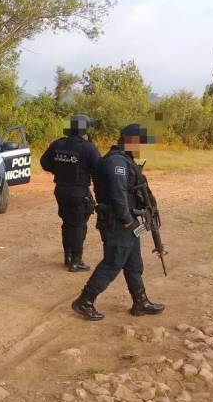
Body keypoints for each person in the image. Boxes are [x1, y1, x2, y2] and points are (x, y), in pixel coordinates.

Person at [71, 123, 165, 321]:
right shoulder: (116, 162)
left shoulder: (125, 159)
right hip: (118, 223)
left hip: (128, 222)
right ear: (130, 141)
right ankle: (84, 301)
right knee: (112, 262)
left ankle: (140, 302)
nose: (143, 147)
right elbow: (118, 193)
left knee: (134, 263)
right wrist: (127, 220)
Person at [41, 114, 101, 272]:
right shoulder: (87, 147)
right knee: (79, 225)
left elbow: (44, 163)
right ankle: (76, 260)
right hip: (78, 191)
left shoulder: (58, 144)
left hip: (60, 190)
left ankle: (68, 257)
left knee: (67, 223)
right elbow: (99, 168)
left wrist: (59, 170)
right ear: (84, 129)